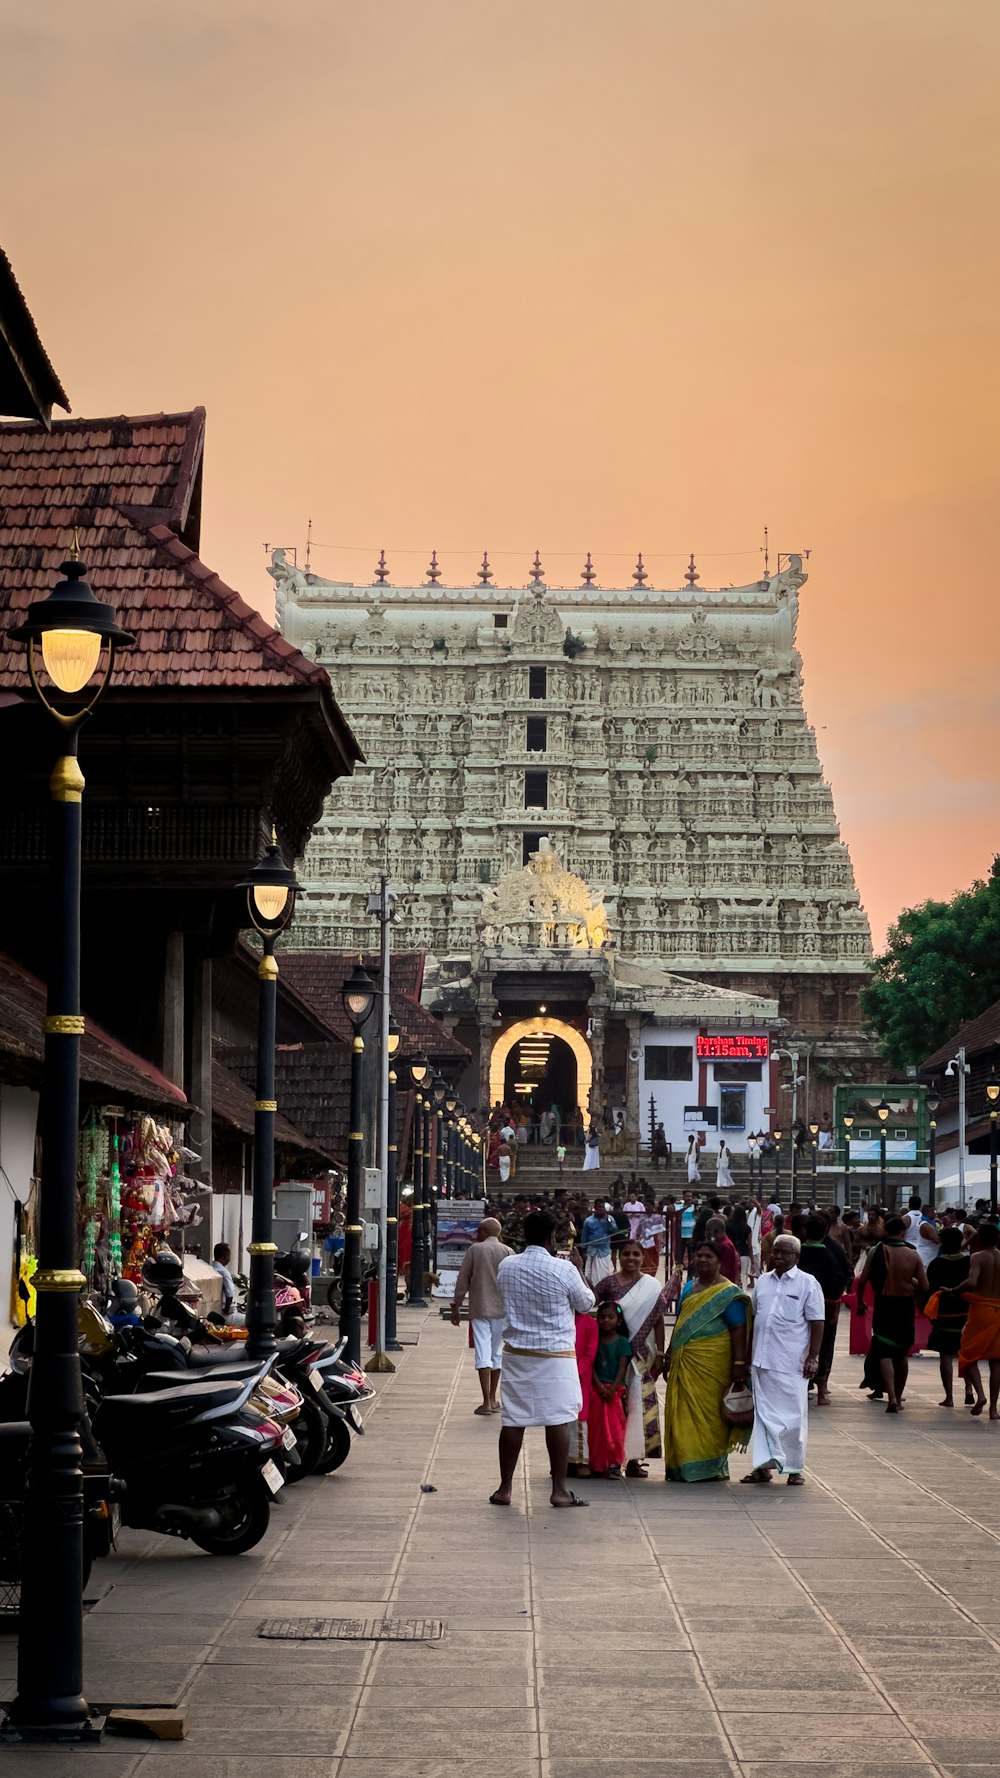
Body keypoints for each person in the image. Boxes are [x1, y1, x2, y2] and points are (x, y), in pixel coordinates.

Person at [491, 1211, 595, 1508]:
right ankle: (559, 1490)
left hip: (518, 1354)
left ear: (524, 1235)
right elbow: (586, 1304)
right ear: (552, 1238)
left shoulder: (507, 1266)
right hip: (556, 1355)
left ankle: (505, 1489)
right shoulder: (564, 1270)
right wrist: (578, 1268)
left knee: (513, 1420)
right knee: (558, 1420)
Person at [663, 1240, 750, 1482]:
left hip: (713, 1363)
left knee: (709, 1414)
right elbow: (681, 1322)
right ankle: (682, 1465)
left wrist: (739, 1365)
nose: (702, 1260)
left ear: (719, 1261)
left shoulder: (728, 1293)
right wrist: (670, 1354)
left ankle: (710, 1467)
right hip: (684, 1360)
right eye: (698, 1256)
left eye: (708, 1256)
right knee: (681, 1413)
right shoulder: (689, 1288)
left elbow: (739, 1329)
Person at [743, 1235, 825, 1486]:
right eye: (775, 1252)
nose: (778, 1256)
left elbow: (817, 1322)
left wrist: (813, 1357)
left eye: (784, 1253)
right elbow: (754, 1318)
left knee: (792, 1417)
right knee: (764, 1417)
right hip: (762, 1361)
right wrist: (747, 1356)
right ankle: (762, 1468)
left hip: (791, 1363)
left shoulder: (808, 1283)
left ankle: (793, 1468)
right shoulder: (763, 1283)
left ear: (796, 1258)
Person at [594, 1240, 672, 1477]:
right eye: (626, 1254)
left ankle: (635, 1459)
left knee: (638, 1404)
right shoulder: (608, 1283)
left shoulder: (651, 1285)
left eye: (636, 1254)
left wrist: (660, 1352)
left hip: (641, 1355)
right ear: (619, 1257)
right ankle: (612, 1456)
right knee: (615, 1406)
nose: (631, 1258)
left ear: (643, 1257)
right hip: (611, 1354)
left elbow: (658, 1320)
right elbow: (589, 1304)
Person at [855, 1214, 929, 1412]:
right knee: (902, 1353)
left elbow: (862, 1282)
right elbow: (924, 1285)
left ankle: (892, 1397)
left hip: (884, 1304)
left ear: (886, 1231)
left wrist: (861, 1300)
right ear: (903, 1233)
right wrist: (909, 1281)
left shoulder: (876, 1250)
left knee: (884, 1352)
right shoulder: (913, 1255)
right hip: (905, 1306)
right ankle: (899, 1393)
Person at [450, 1217, 513, 1415]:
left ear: (484, 1231)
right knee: (497, 1353)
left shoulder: (475, 1250)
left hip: (480, 1309)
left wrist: (456, 1305)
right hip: (502, 1311)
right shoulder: (508, 1252)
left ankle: (485, 1401)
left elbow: (463, 1280)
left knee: (482, 1352)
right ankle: (493, 1399)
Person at [797, 1213, 851, 1406]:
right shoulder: (833, 1252)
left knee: (799, 1345)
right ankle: (821, 1391)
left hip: (797, 1308)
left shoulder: (797, 1252)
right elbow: (842, 1278)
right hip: (826, 1308)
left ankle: (801, 1388)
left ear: (804, 1230)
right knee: (824, 1346)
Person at [950, 1222, 1000, 1417]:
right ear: (997, 1239)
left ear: (978, 1240)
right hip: (999, 1309)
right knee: (997, 1361)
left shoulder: (978, 1257)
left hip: (981, 1311)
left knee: (967, 1354)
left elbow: (972, 1282)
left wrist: (955, 1291)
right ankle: (994, 1409)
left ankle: (980, 1394)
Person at [924, 1225, 972, 1407]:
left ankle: (949, 1396)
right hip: (966, 1313)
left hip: (944, 1313)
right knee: (966, 1353)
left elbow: (930, 1288)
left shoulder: (937, 1264)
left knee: (945, 1355)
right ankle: (969, 1388)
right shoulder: (969, 1262)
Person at [587, 1302, 633, 1476]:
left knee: (615, 1427)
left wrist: (612, 1389)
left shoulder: (622, 1342)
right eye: (602, 1317)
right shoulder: (595, 1340)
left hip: (615, 1391)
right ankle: (597, 1462)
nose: (606, 1320)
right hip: (597, 1390)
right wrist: (600, 1387)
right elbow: (591, 1364)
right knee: (596, 1427)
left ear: (619, 1321)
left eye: (611, 1317)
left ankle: (614, 1463)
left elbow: (622, 1368)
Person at [579, 1198, 616, 1287]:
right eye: (599, 1207)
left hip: (605, 1251)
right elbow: (584, 1236)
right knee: (591, 1276)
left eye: (603, 1207)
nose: (601, 1209)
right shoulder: (588, 1221)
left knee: (605, 1275)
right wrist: (583, 1250)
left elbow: (614, 1230)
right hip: (592, 1251)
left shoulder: (610, 1219)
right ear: (595, 1208)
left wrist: (608, 1220)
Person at [902, 1196, 940, 1268]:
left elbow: (900, 1235)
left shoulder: (905, 1218)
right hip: (924, 1250)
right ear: (920, 1205)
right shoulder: (926, 1219)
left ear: (909, 1205)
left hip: (909, 1248)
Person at [635, 1194, 665, 1276]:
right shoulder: (642, 1216)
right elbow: (639, 1229)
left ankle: (651, 1276)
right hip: (643, 1241)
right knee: (643, 1260)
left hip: (654, 1241)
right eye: (645, 1206)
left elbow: (661, 1231)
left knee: (653, 1260)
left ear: (652, 1206)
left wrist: (661, 1241)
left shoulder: (658, 1217)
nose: (646, 1207)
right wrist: (637, 1237)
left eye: (648, 1206)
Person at [705, 1215, 740, 1285]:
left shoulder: (724, 1246)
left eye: (708, 1229)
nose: (706, 1232)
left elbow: (724, 1270)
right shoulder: (721, 1243)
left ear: (715, 1230)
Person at [725, 1203, 753, 1288]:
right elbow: (749, 1244)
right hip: (744, 1252)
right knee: (743, 1274)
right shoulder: (747, 1228)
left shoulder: (728, 1226)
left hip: (732, 1251)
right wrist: (752, 1258)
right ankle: (743, 1290)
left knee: (732, 1273)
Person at [211, 1242, 238, 1321]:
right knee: (250, 1321)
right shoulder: (223, 1271)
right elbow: (229, 1294)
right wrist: (226, 1310)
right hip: (224, 1314)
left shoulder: (210, 1267)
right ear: (225, 1256)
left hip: (214, 1311)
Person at [678, 1194, 697, 1269]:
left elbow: (697, 1215)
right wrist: (687, 1207)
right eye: (687, 1196)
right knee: (679, 1257)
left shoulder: (694, 1207)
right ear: (683, 1197)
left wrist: (695, 1206)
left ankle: (690, 1275)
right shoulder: (679, 1206)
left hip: (691, 1235)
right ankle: (679, 1276)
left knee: (691, 1256)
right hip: (681, 1234)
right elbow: (678, 1213)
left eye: (690, 1196)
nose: (689, 1198)